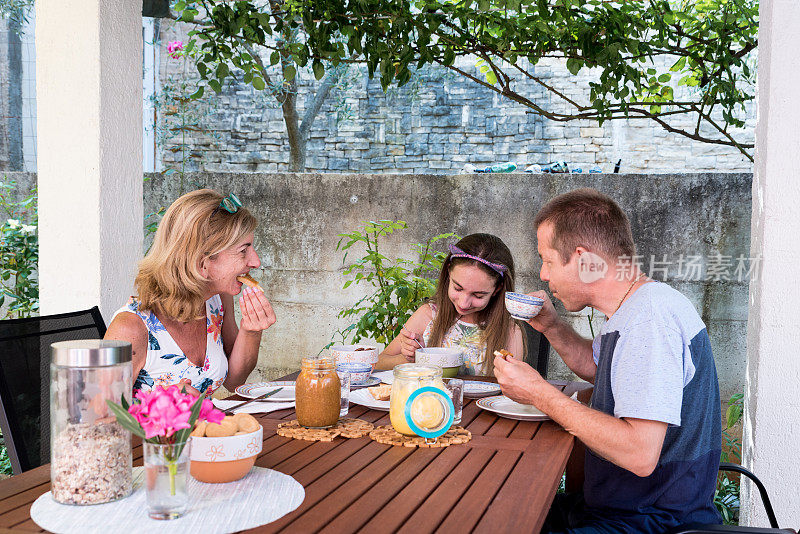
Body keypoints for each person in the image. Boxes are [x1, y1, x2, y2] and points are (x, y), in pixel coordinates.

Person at [493, 188, 722, 532]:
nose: (543, 273)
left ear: (584, 261)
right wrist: (552, 326)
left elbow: (639, 454)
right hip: (621, 508)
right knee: (504, 512)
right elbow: (599, 369)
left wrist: (540, 393)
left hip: (652, 520)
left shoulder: (650, 320)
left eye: (549, 260)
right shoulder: (636, 307)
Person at [105, 189, 276, 397]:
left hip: (205, 429)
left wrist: (251, 331)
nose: (255, 262)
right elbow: (100, 421)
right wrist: (164, 403)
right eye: (243, 251)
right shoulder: (130, 328)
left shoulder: (218, 300)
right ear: (202, 260)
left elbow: (234, 381)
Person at [376, 233, 523, 375]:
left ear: (497, 289)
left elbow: (516, 389)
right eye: (458, 288)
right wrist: (412, 359)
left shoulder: (509, 331)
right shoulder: (428, 315)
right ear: (448, 273)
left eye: (478, 295)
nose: (464, 303)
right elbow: (379, 362)